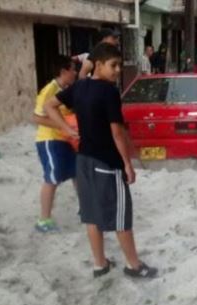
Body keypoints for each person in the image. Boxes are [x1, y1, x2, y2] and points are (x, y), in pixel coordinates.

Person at [43, 43, 157, 278]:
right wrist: (127, 164)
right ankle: (134, 266)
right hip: (107, 163)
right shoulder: (109, 92)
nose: (117, 71)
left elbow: (49, 105)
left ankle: (100, 264)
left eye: (119, 65)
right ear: (98, 65)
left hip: (83, 161)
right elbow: (117, 133)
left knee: (92, 214)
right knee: (120, 217)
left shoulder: (79, 87)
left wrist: (65, 128)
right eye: (113, 65)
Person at [33, 55, 78, 232]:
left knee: (77, 173)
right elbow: (36, 117)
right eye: (72, 69)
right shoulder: (49, 90)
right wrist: (65, 126)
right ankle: (43, 220)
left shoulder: (66, 89)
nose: (75, 72)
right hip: (49, 140)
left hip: (66, 139)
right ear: (63, 71)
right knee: (52, 178)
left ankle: (85, 210)